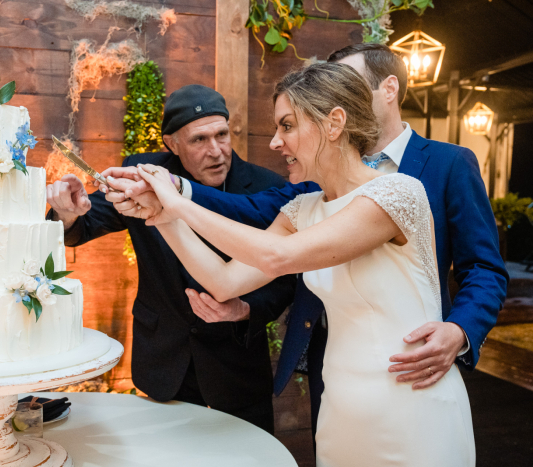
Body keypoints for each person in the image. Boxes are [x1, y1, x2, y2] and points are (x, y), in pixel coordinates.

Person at [104, 43, 508, 441]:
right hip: (339, 404)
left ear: (334, 123)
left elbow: (276, 256)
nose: (275, 142)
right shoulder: (305, 206)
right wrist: (161, 218)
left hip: (409, 402)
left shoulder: (398, 192)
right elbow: (224, 282)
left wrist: (175, 200)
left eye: (287, 126)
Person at [45, 85, 296, 433]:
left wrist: (245, 310)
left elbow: (285, 278)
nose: (216, 151)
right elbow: (83, 225)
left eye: (221, 135)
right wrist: (68, 213)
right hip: (164, 363)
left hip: (236, 367)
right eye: (198, 140)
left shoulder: (266, 187)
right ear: (171, 144)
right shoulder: (141, 174)